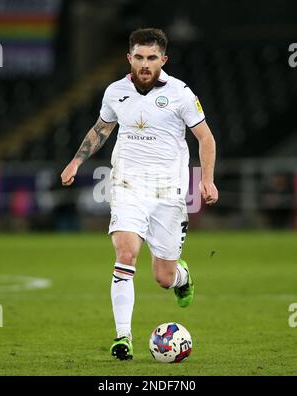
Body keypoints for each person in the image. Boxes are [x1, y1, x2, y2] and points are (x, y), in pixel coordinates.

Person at [61, 28, 218, 360]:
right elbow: (101, 129)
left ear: (163, 59)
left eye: (151, 58)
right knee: (126, 253)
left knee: (163, 277)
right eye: (139, 57)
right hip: (127, 186)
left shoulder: (181, 94)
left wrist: (207, 180)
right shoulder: (115, 92)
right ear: (129, 58)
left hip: (170, 192)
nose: (145, 64)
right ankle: (123, 338)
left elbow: (206, 138)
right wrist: (76, 161)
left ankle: (182, 277)